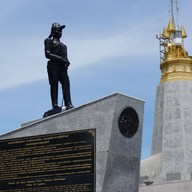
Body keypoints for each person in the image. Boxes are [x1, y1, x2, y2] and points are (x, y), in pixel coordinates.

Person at [44, 23, 73, 110]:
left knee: (66, 84)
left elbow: (65, 57)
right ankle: (55, 104)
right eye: (58, 30)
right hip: (53, 66)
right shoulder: (48, 41)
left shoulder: (64, 46)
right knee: (54, 84)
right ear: (54, 31)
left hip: (62, 67)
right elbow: (47, 54)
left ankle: (68, 103)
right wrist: (61, 59)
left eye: (61, 31)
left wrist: (66, 62)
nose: (60, 32)